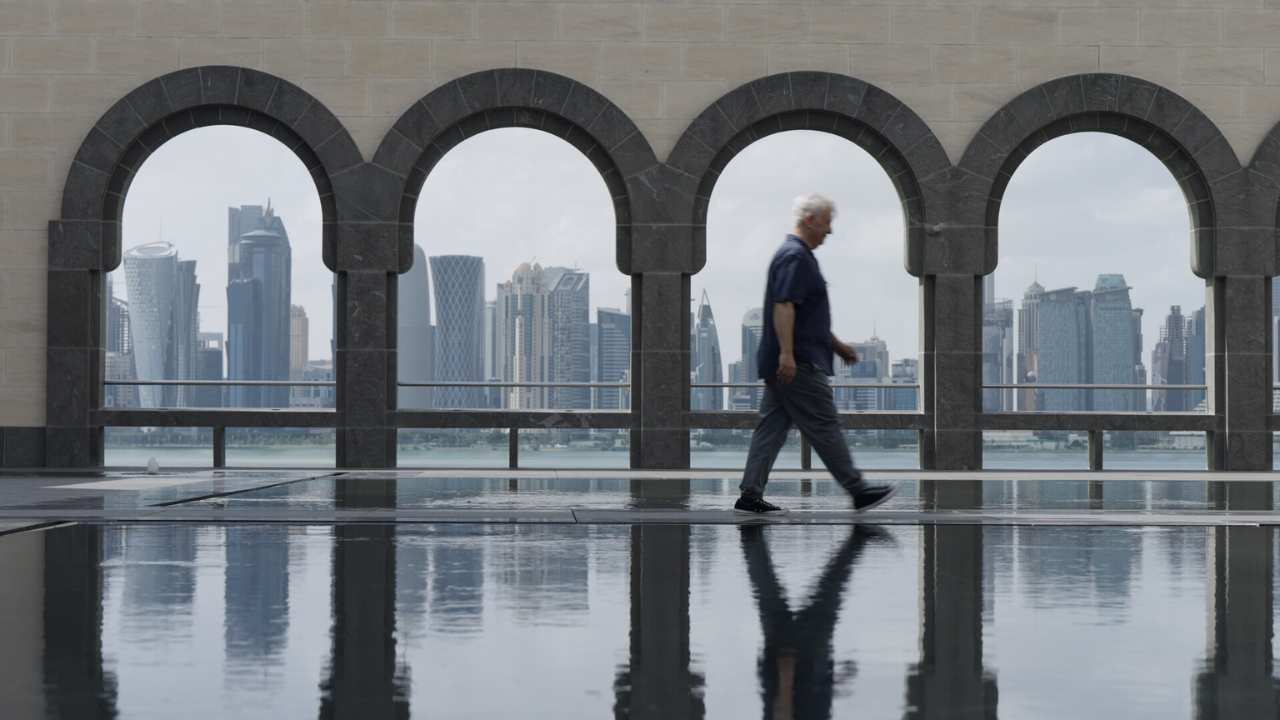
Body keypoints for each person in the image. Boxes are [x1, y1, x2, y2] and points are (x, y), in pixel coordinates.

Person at [735, 194, 897, 514]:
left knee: (771, 429)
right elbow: (784, 306)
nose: (830, 231)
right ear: (810, 220)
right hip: (800, 364)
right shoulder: (795, 256)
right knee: (824, 425)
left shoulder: (797, 256)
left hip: (792, 360)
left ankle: (750, 495)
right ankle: (857, 489)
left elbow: (806, 315)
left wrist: (837, 346)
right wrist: (787, 355)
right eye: (827, 222)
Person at [739, 524, 893, 719]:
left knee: (832, 586)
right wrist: (831, 682)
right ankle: (751, 531)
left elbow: (782, 712)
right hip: (800, 665)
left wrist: (786, 676)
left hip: (802, 658)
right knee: (768, 585)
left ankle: (860, 534)